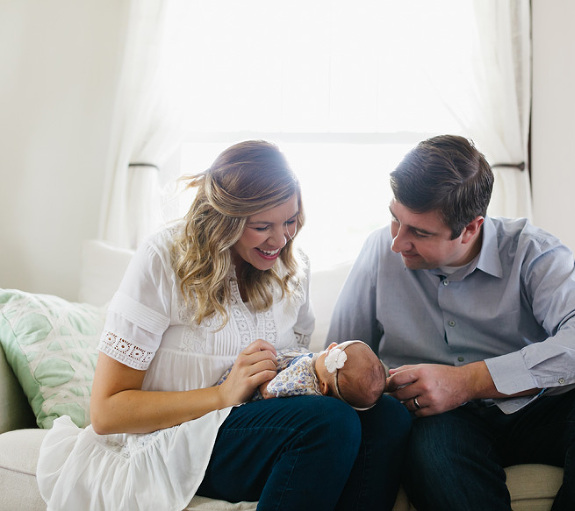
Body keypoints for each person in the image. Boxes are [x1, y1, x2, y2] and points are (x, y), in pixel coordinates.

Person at [36, 140, 411, 511]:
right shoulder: (162, 259)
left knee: (386, 416)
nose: (280, 240)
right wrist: (222, 395)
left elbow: (293, 370)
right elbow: (107, 413)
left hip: (258, 428)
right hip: (175, 439)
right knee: (328, 424)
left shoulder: (291, 268)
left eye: (290, 221)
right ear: (225, 219)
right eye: (263, 226)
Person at [327, 134, 575, 511]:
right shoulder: (378, 252)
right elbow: (336, 361)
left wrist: (468, 381)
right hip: (440, 424)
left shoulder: (531, 251)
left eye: (419, 232)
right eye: (395, 220)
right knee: (430, 449)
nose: (398, 243)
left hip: (538, 410)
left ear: (471, 228)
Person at [218, 340, 387, 411]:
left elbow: (270, 391)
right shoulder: (315, 370)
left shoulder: (303, 378)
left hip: (242, 389)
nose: (330, 346)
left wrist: (265, 373)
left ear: (323, 387)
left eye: (330, 353)